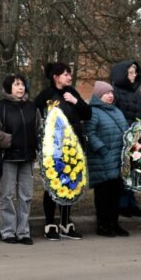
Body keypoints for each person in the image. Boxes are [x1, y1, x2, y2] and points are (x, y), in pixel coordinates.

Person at [34, 62, 91, 240]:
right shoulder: (46, 95)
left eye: (69, 74)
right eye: (66, 74)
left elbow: (87, 114)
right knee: (53, 184)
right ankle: (50, 224)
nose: (69, 77)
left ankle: (66, 224)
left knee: (70, 182)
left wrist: (76, 102)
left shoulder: (72, 93)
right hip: (54, 148)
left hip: (73, 147)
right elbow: (36, 117)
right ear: (56, 77)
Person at [0, 74, 38, 244]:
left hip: (27, 157)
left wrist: (35, 146)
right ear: (8, 87)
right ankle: (8, 231)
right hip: (8, 157)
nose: (21, 87)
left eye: (22, 84)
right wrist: (6, 140)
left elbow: (38, 128)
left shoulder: (32, 107)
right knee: (7, 195)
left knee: (26, 196)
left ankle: (23, 232)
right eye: (17, 84)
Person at [85, 81, 129, 237]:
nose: (110, 96)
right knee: (104, 193)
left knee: (116, 193)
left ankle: (114, 223)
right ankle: (103, 225)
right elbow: (89, 133)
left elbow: (126, 131)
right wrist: (102, 149)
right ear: (98, 95)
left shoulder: (117, 110)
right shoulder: (93, 111)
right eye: (106, 93)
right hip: (102, 159)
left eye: (111, 93)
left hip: (117, 158)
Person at [109, 59, 141, 218]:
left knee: (134, 171)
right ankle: (122, 203)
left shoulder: (137, 93)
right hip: (121, 138)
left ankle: (131, 202)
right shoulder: (114, 92)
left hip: (137, 137)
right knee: (122, 172)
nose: (134, 75)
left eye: (135, 72)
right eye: (130, 72)